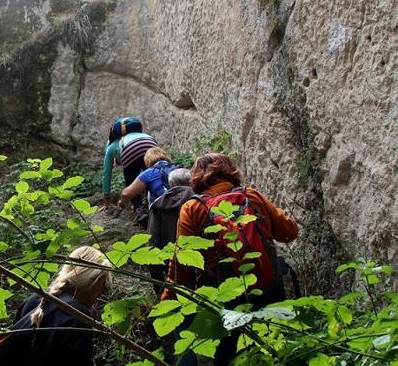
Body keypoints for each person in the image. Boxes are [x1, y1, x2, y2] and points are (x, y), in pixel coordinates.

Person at [162, 153, 298, 366]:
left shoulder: (193, 208)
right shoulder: (251, 196)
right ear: (231, 171)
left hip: (224, 297)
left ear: (196, 177)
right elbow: (289, 232)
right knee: (276, 348)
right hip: (268, 288)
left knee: (228, 356)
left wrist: (168, 293)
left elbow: (182, 261)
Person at [0, 246, 112, 366]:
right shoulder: (78, 317)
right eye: (104, 285)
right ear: (93, 280)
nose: (101, 293)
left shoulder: (36, 300)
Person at [146, 168, 194, 286]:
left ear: (171, 184)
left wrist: (158, 279)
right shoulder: (199, 201)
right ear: (191, 182)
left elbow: (153, 241)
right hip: (196, 263)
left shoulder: (158, 205)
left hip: (170, 264)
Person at [100, 118, 158, 210]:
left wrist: (106, 197)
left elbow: (106, 174)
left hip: (131, 149)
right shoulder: (141, 135)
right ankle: (155, 203)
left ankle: (138, 208)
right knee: (153, 176)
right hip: (151, 143)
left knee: (131, 181)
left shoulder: (110, 147)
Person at [119, 147, 177, 216]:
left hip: (163, 213)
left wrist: (121, 202)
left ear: (147, 160)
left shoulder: (150, 173)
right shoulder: (178, 168)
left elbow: (126, 194)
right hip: (183, 208)